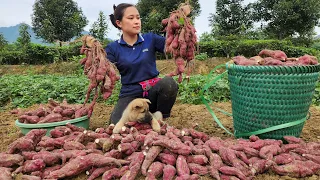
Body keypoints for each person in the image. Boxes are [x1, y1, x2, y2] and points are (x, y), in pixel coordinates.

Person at [105, 3, 179, 125]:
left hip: (152, 92)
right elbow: (105, 69)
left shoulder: (150, 39)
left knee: (168, 83)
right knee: (115, 124)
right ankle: (146, 117)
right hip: (130, 94)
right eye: (131, 18)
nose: (136, 21)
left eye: (138, 18)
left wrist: (180, 18)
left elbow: (175, 44)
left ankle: (159, 118)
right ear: (119, 23)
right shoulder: (113, 48)